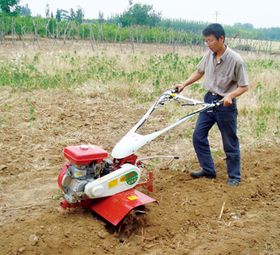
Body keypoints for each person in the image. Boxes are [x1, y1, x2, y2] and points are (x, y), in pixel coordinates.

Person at [176, 23, 249, 186]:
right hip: (209, 101)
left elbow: (244, 86)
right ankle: (208, 170)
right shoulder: (209, 54)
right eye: (205, 41)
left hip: (225, 105)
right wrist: (184, 84)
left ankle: (234, 177)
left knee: (229, 142)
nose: (207, 44)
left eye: (210, 41)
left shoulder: (236, 60)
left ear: (221, 39)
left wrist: (230, 95)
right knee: (198, 136)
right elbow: (200, 71)